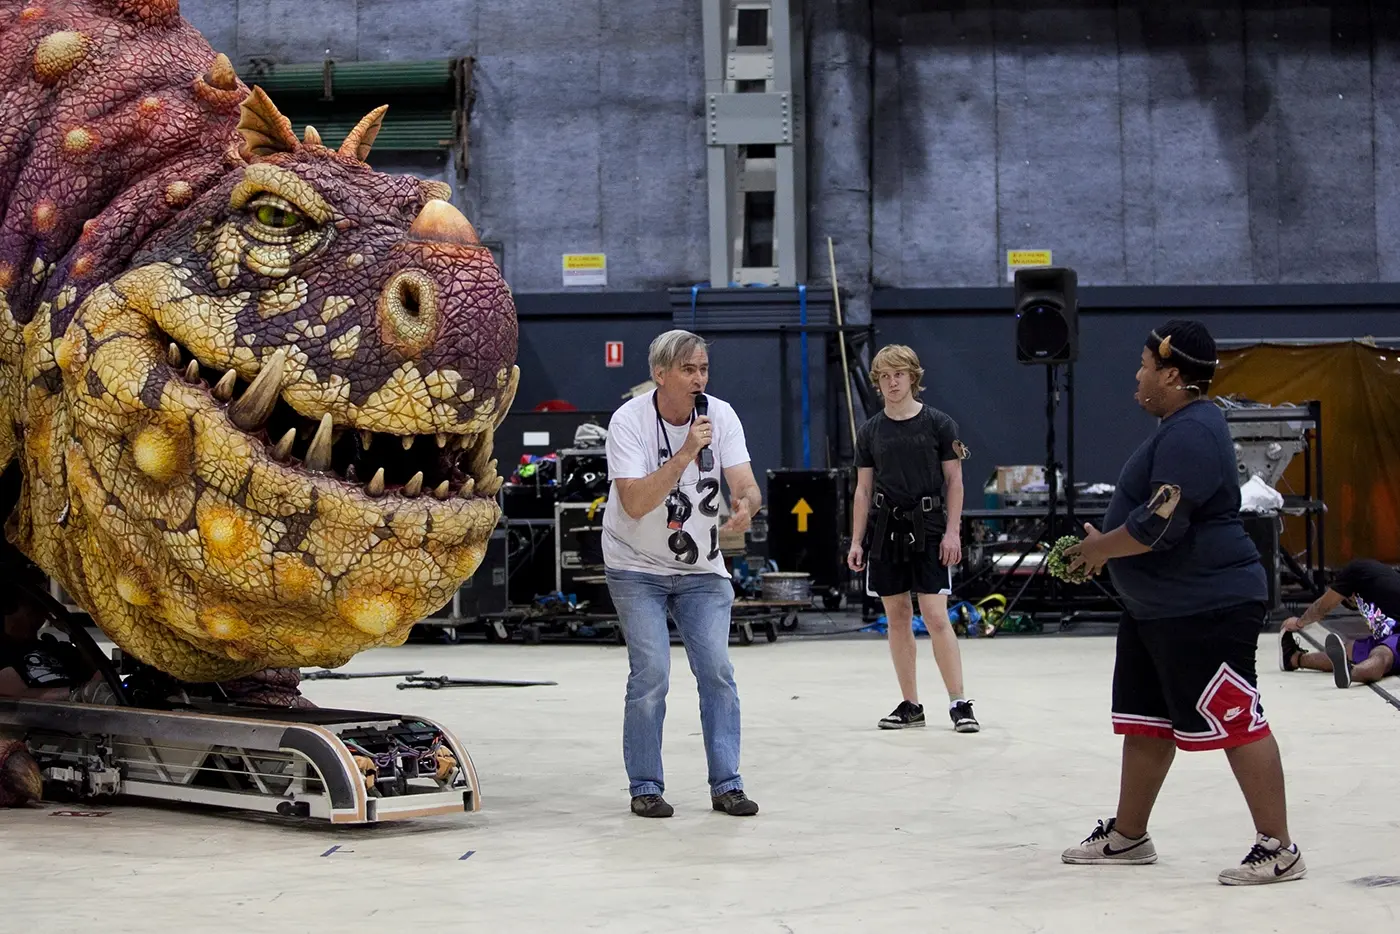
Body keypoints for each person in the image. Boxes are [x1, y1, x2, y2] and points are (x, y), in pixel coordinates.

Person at [1059, 320, 1305, 886]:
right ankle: (1129, 834)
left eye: (1145, 367)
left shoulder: (1193, 430)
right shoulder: (1179, 426)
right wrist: (1106, 551)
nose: (1138, 377)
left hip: (1207, 605)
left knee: (1235, 718)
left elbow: (1156, 525)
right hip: (1159, 609)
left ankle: (1279, 847)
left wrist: (1100, 548)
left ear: (1171, 375)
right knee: (1146, 722)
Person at [601, 329, 764, 819]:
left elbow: (746, 482)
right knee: (651, 674)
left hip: (702, 568)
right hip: (635, 565)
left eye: (704, 370)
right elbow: (634, 501)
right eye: (689, 370)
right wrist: (686, 451)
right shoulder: (628, 421)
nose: (699, 379)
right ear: (660, 374)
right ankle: (646, 786)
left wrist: (747, 505)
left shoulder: (722, 415)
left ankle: (727, 784)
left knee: (716, 671)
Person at [847, 344, 978, 733]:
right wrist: (857, 541)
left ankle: (959, 703)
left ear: (912, 378)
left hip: (930, 526)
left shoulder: (939, 424)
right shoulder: (870, 431)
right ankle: (911, 705)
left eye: (898, 375)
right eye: (884, 376)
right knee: (897, 617)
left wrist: (953, 531)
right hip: (886, 529)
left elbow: (955, 480)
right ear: (877, 382)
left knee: (936, 616)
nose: (892, 382)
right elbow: (863, 491)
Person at [1280, 558, 1400, 688]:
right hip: (1391, 636)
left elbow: (1322, 607)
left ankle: (1351, 672)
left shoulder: (1356, 571)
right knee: (1348, 649)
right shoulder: (1378, 586)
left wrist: (1299, 622)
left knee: (1382, 653)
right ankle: (1294, 659)